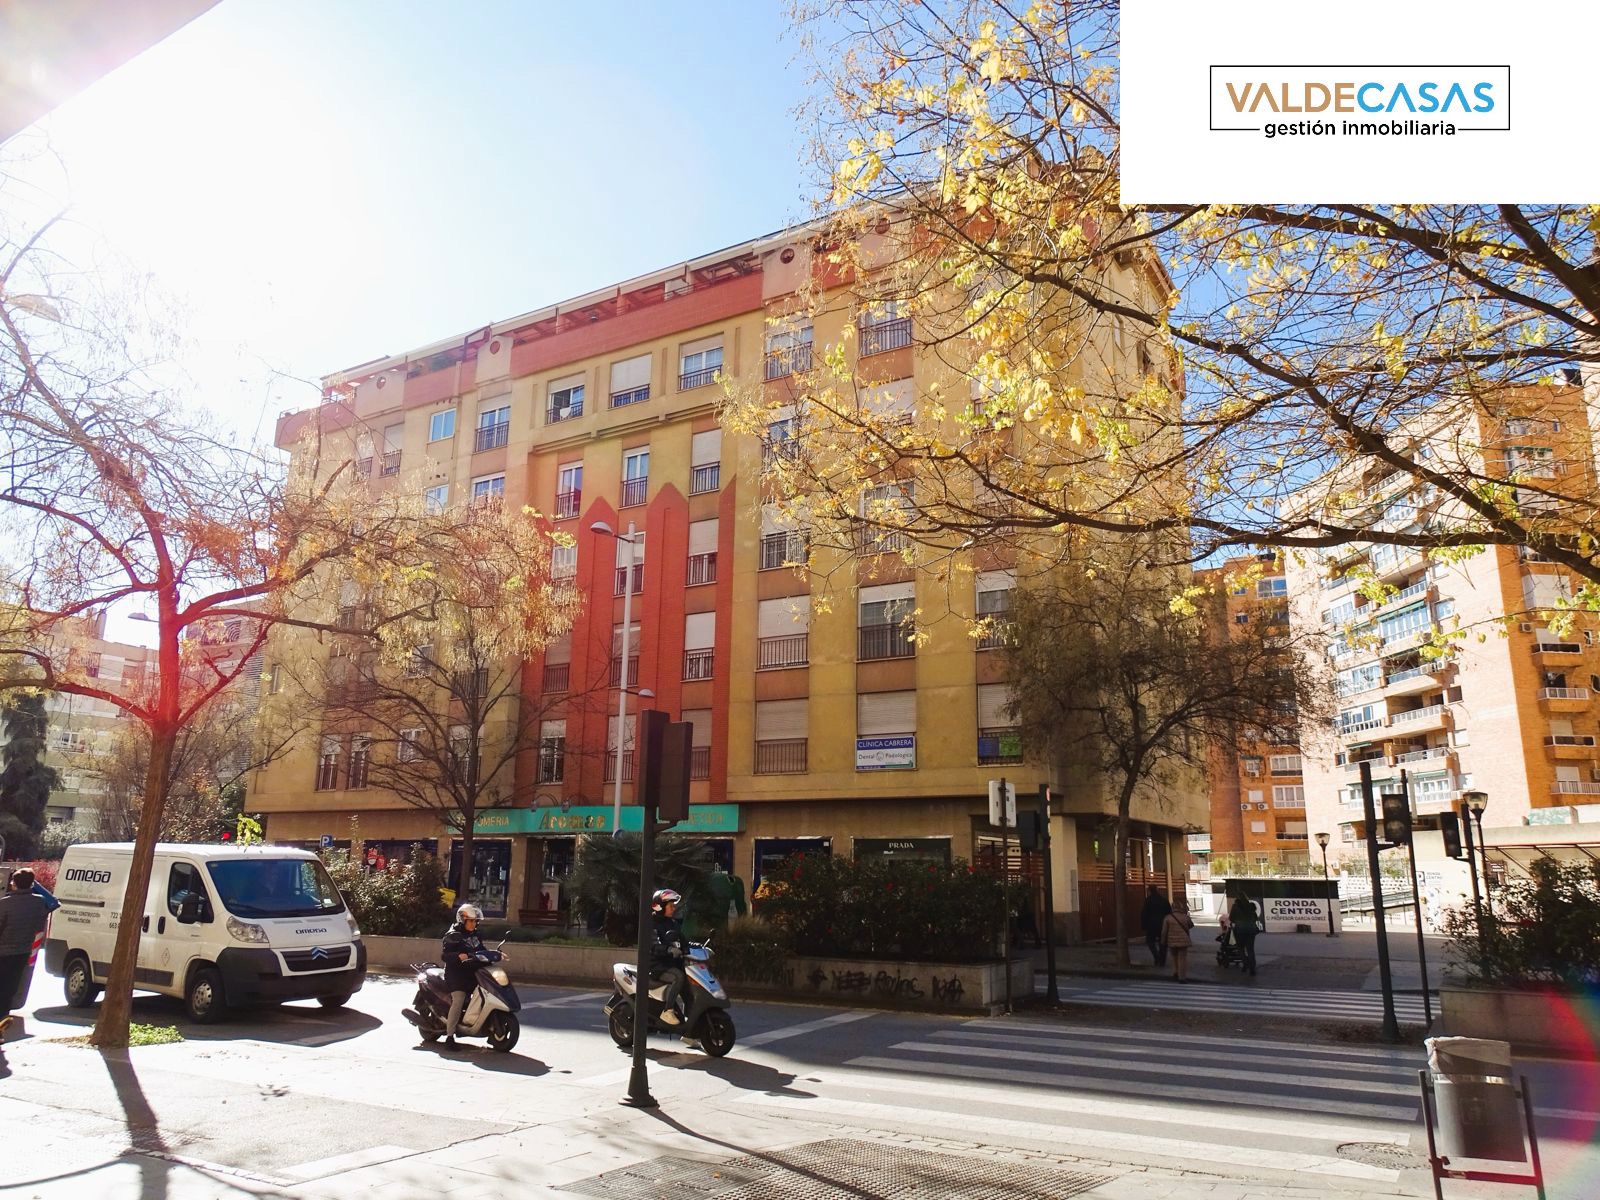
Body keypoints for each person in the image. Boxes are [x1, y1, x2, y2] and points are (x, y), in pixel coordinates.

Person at [1, 869, 54, 1034]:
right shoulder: (39, 902)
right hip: (23, 951)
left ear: (13, 883)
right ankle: (3, 1018)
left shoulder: (5, 903)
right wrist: (33, 885)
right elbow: (54, 903)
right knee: (10, 988)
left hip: (3, 951)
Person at [439, 903, 498, 1049]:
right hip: (456, 975)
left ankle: (490, 1030)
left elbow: (481, 950)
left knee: (488, 994)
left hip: (473, 972)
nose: (474, 924)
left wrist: (495, 954)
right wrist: (458, 956)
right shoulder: (453, 935)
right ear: (462, 920)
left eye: (475, 921)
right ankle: (450, 1037)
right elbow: (445, 956)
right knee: (459, 999)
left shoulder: (475, 935)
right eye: (471, 921)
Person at [649, 888, 687, 1025]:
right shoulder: (652, 924)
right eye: (670, 905)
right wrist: (669, 949)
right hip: (657, 965)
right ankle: (668, 1010)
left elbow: (683, 940)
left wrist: (700, 948)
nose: (673, 908)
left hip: (671, 963)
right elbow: (654, 945)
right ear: (660, 907)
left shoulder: (673, 923)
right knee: (679, 977)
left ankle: (689, 1023)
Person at [1161, 895, 1195, 983]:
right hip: (1183, 941)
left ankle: (1175, 972)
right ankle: (1182, 977)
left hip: (1171, 941)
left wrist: (1163, 941)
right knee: (1182, 959)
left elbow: (1164, 931)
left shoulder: (1168, 918)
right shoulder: (1185, 917)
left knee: (1174, 957)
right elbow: (1191, 925)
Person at [1229, 892, 1261, 977]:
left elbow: (1231, 918)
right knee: (1250, 949)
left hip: (1240, 930)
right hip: (1251, 930)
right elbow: (1255, 918)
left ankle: (1245, 963)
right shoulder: (1251, 906)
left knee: (1241, 949)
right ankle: (1252, 968)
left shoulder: (1235, 907)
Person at [1140, 885, 1172, 967]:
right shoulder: (1164, 900)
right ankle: (1162, 960)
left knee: (1150, 941)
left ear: (1149, 891)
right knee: (1163, 942)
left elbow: (1144, 914)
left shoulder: (1148, 900)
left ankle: (1156, 956)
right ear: (1157, 890)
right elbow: (1169, 913)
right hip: (1163, 924)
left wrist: (1144, 926)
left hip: (1151, 925)